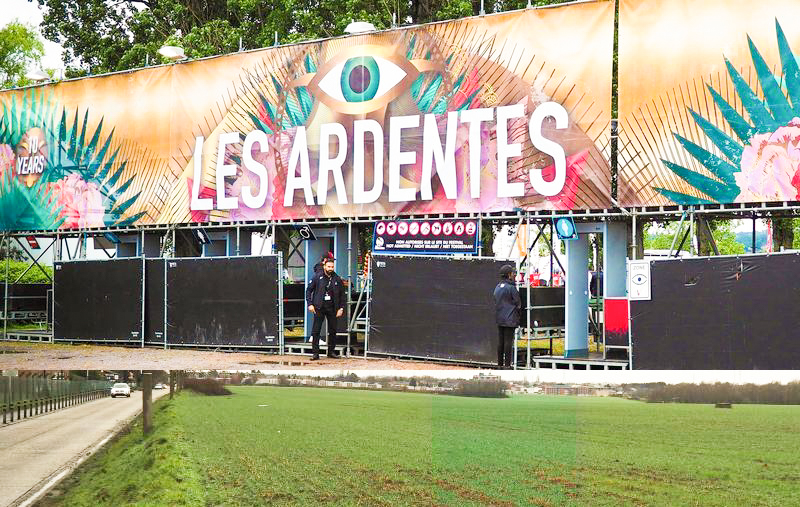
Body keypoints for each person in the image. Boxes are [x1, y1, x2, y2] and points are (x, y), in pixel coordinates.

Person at [306, 258, 346, 360]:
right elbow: (309, 290)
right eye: (328, 266)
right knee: (316, 330)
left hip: (333, 308)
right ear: (324, 266)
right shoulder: (317, 277)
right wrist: (310, 304)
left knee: (332, 330)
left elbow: (342, 295)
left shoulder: (337, 279)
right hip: (319, 307)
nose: (330, 268)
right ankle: (315, 353)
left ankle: (331, 352)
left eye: (332, 267)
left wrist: (341, 308)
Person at [493, 264, 521, 369]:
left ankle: (499, 364)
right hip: (510, 319)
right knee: (508, 341)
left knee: (501, 341)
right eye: (513, 273)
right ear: (509, 275)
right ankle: (507, 365)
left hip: (500, 318)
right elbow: (518, 304)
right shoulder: (512, 288)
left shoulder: (497, 287)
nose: (514, 275)